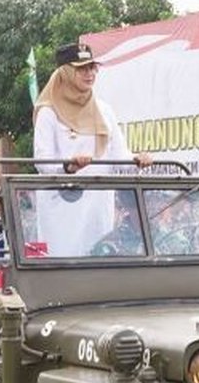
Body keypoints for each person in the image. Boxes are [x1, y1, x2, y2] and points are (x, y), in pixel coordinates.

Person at [31, 42, 152, 256]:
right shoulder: (48, 112)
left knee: (96, 262)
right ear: (66, 72)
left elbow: (119, 158)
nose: (89, 74)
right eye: (82, 69)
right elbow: (42, 161)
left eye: (92, 68)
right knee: (63, 264)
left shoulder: (104, 110)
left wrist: (136, 160)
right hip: (62, 207)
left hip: (98, 205)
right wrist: (68, 167)